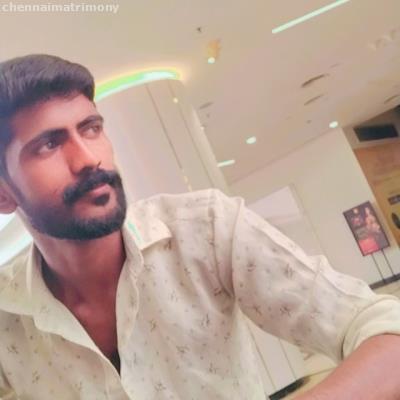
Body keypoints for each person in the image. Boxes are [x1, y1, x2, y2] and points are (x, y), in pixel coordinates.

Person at [0, 55, 400, 400]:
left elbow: (382, 326)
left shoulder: (204, 229)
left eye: (91, 128)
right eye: (48, 145)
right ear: (4, 195)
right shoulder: (7, 313)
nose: (89, 158)